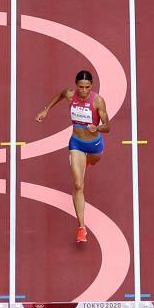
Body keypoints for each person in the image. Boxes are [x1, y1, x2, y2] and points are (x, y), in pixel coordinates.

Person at [36, 70, 111, 243]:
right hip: (76, 142)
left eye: (87, 87)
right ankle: (82, 228)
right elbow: (61, 94)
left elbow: (108, 127)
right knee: (78, 185)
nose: (83, 91)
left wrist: (98, 128)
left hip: (94, 145)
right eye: (80, 87)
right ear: (76, 86)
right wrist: (46, 110)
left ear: (91, 86)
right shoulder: (71, 95)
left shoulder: (98, 101)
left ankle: (87, 162)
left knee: (93, 162)